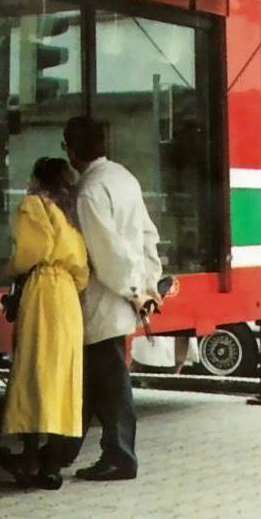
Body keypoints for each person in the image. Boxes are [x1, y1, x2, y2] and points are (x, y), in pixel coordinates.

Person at [58, 115, 163, 481]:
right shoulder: (124, 177)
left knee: (109, 384)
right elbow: (148, 235)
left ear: (71, 151)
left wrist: (134, 290)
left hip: (104, 298)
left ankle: (119, 455)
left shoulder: (89, 191)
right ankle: (58, 456)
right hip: (124, 294)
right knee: (98, 382)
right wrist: (148, 284)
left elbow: (108, 255)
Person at [0, 158, 89, 490]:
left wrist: (9, 269)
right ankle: (52, 463)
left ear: (39, 180)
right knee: (62, 376)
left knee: (34, 372)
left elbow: (32, 250)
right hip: (67, 295)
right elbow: (81, 268)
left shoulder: (35, 205)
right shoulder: (72, 214)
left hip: (42, 290)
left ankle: (30, 457)